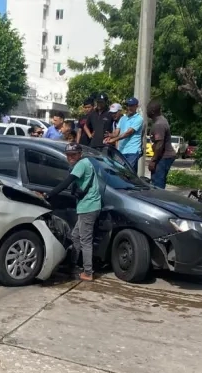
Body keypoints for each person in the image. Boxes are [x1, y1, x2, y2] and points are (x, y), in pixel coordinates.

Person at [41, 143, 102, 282]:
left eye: (73, 154)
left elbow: (66, 182)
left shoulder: (81, 164)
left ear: (80, 154)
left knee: (85, 240)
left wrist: (48, 195)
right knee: (75, 236)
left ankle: (88, 272)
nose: (70, 157)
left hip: (88, 207)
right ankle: (72, 264)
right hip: (89, 206)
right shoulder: (87, 162)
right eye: (68, 155)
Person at [147, 100, 177, 188]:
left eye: (147, 109)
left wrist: (153, 160)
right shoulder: (162, 120)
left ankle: (157, 200)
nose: (146, 111)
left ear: (152, 111)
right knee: (159, 182)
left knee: (157, 183)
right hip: (164, 156)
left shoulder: (159, 124)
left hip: (163, 157)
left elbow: (160, 144)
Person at [110, 97, 144, 171]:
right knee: (119, 173)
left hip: (132, 151)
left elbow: (128, 133)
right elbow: (116, 133)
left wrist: (114, 139)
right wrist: (109, 136)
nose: (129, 108)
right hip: (121, 150)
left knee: (129, 173)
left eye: (132, 106)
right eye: (128, 105)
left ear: (136, 106)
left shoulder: (139, 119)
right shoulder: (123, 118)